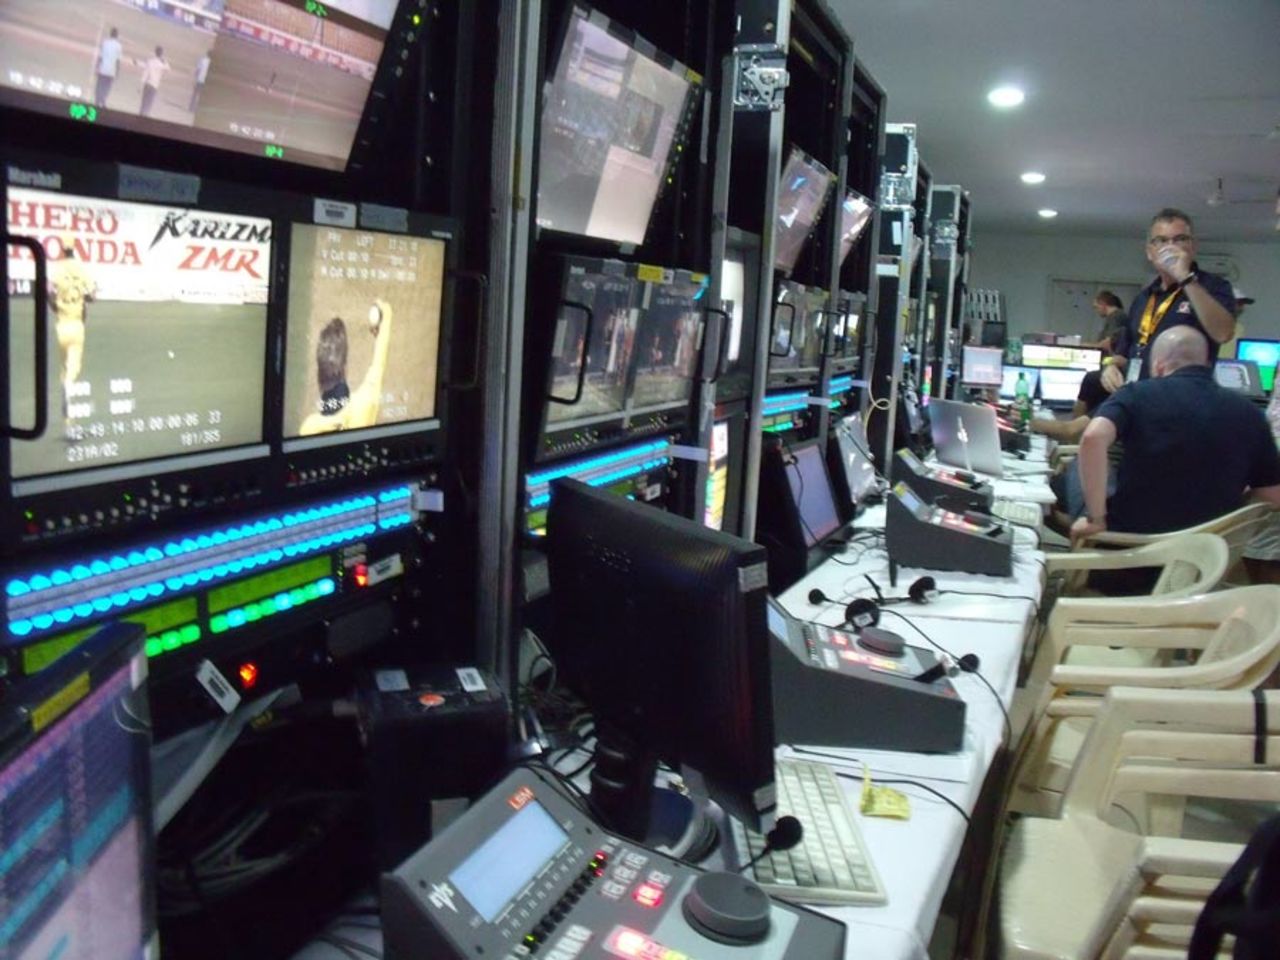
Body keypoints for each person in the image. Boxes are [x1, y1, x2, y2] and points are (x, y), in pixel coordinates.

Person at [1072, 326, 1280, 546]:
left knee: (1076, 469)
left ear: (1158, 365)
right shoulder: (1249, 412)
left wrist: (1096, 518)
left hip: (1128, 550)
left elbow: (1092, 438)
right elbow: (1273, 496)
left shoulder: (1135, 394)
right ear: (1208, 365)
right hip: (1205, 559)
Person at [1102, 208, 1235, 391]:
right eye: (1162, 241)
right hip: (1139, 394)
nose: (1171, 246)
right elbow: (1127, 350)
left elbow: (1223, 333)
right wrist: (1112, 366)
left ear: (1193, 247)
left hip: (1185, 397)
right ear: (1150, 252)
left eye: (1180, 239)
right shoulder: (1144, 297)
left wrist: (1185, 278)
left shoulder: (1213, 286)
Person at [298, 299, 394, 436]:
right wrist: (386, 318)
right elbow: (378, 365)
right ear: (345, 368)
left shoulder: (308, 428)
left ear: (319, 374)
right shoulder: (364, 404)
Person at [50, 238, 97, 419]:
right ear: (75, 247)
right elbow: (92, 296)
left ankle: (67, 416)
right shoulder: (82, 269)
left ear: (62, 248)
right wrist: (86, 298)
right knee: (74, 366)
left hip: (61, 323)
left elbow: (48, 290)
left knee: (64, 366)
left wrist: (54, 306)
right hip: (77, 324)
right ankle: (68, 389)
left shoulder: (58, 269)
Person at [136, 46, 170, 117]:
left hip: (147, 84)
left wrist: (140, 86)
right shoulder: (161, 64)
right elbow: (168, 68)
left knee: (143, 103)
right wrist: (164, 60)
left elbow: (145, 74)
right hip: (154, 86)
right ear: (161, 54)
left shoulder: (150, 61)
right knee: (148, 105)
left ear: (155, 52)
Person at [94, 28, 122, 109]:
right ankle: (103, 102)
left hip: (103, 68)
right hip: (111, 70)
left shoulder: (105, 43)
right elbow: (118, 60)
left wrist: (97, 67)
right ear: (117, 36)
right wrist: (117, 71)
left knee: (99, 86)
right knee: (107, 87)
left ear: (110, 34)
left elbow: (100, 57)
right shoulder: (119, 46)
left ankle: (97, 101)